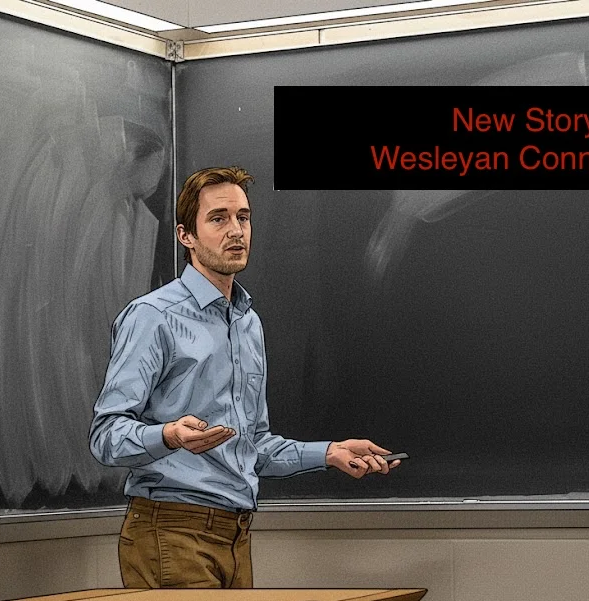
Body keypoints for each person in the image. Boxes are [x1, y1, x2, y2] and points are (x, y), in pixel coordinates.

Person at [89, 166, 400, 589]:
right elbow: (105, 435)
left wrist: (330, 453)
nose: (236, 230)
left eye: (243, 217)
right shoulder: (153, 317)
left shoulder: (248, 323)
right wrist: (169, 435)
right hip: (171, 530)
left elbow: (254, 447)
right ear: (186, 236)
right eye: (218, 219)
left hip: (235, 535)